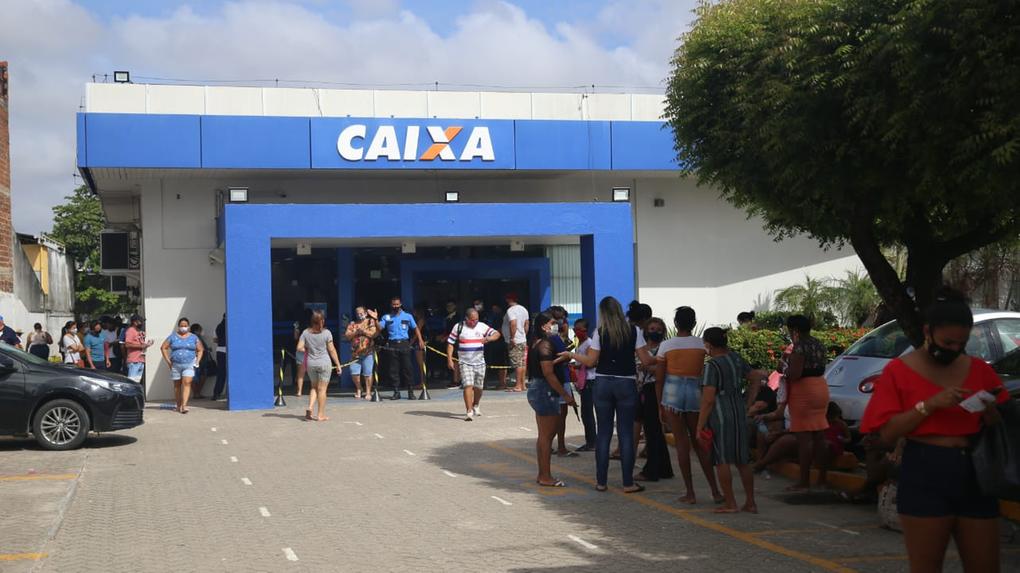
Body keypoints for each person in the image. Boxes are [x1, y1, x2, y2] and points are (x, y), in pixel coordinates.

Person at [860, 288, 1009, 573]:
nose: (954, 349)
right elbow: (886, 434)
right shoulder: (898, 371)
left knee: (986, 565)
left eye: (961, 343)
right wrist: (929, 405)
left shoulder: (979, 369)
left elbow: (1001, 423)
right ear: (928, 331)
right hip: (925, 468)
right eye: (947, 342)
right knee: (926, 566)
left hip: (975, 470)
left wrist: (990, 412)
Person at [566, 296, 653, 494]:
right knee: (626, 433)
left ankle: (601, 482)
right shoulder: (634, 331)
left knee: (604, 433)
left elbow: (590, 361)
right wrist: (664, 359)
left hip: (603, 382)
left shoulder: (600, 332)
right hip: (626, 382)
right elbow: (646, 360)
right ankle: (628, 482)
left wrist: (571, 354)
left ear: (603, 313)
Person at [695, 327, 769, 514]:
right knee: (742, 460)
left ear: (709, 345)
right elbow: (755, 378)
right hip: (738, 410)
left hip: (720, 414)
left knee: (722, 459)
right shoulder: (735, 359)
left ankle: (730, 502)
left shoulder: (712, 366)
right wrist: (749, 402)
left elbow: (708, 399)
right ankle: (750, 502)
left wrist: (700, 425)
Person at [656, 306, 723, 504]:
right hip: (695, 390)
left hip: (672, 392)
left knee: (681, 444)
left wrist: (660, 404)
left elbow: (659, 379)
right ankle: (715, 491)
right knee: (699, 442)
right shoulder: (701, 344)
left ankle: (690, 492)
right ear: (694, 323)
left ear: (675, 323)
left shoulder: (666, 345)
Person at [526, 312, 576, 487]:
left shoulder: (536, 343)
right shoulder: (546, 344)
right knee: (547, 436)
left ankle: (543, 474)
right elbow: (548, 373)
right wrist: (566, 395)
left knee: (544, 435)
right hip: (545, 391)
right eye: (552, 323)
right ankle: (545, 476)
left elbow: (544, 366)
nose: (556, 325)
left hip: (538, 389)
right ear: (544, 326)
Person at [783, 314, 832, 492]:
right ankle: (822, 479)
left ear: (795, 330)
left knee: (804, 439)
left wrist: (784, 369)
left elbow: (795, 373)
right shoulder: (818, 344)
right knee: (819, 436)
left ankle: (804, 481)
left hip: (804, 392)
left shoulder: (800, 346)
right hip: (820, 388)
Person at [635, 317, 674, 482]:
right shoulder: (641, 348)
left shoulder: (664, 349)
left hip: (655, 389)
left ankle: (651, 471)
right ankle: (664, 469)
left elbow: (665, 370)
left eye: (658, 329)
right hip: (641, 389)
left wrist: (649, 367)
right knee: (653, 431)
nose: (655, 332)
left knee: (653, 431)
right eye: (652, 329)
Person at [447, 308, 500, 421]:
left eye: (476, 319)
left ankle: (476, 404)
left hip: (479, 362)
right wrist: (449, 359)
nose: (474, 322)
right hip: (465, 362)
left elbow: (497, 334)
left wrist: (489, 338)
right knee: (468, 385)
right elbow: (450, 343)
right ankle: (469, 411)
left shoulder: (481, 326)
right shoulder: (458, 327)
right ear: (466, 318)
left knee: (479, 387)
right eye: (472, 320)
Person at [375, 296, 425, 400]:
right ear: (391, 305)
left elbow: (415, 328)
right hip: (392, 344)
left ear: (400, 304)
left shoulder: (407, 316)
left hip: (404, 343)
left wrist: (420, 340)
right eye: (394, 304)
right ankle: (396, 392)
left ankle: (410, 392)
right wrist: (375, 318)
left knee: (408, 368)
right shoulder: (386, 317)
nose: (395, 306)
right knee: (393, 369)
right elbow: (379, 328)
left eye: (397, 304)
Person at [297, 310, 342, 422]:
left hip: (311, 363)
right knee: (322, 390)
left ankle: (310, 407)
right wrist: (338, 364)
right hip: (324, 363)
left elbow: (299, 348)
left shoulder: (305, 333)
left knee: (314, 387)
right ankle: (320, 415)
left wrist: (308, 349)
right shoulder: (327, 333)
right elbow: (331, 350)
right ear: (322, 321)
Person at [160, 317, 203, 414]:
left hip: (189, 364)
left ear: (188, 326)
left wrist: (197, 361)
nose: (183, 327)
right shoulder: (172, 337)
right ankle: (178, 405)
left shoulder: (194, 337)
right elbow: (163, 348)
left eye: (185, 325)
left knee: (187, 382)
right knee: (177, 385)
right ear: (178, 326)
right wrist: (168, 362)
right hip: (176, 365)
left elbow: (200, 349)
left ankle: (184, 406)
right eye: (181, 326)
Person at [570, 318, 597, 452]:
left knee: (587, 413)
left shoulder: (589, 344)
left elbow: (592, 362)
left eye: (581, 330)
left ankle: (592, 442)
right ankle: (590, 440)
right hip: (583, 380)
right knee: (585, 413)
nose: (578, 332)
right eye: (575, 329)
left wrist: (577, 365)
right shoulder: (579, 343)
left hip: (590, 380)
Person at [345, 307, 378, 400]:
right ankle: (359, 389)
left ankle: (368, 392)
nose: (359, 315)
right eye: (358, 313)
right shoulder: (353, 324)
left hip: (368, 352)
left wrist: (363, 331)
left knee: (368, 373)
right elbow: (347, 336)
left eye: (361, 313)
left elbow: (373, 334)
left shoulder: (370, 322)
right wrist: (356, 332)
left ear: (365, 313)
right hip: (355, 353)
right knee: (354, 372)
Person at [502, 293, 530, 392]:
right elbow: (526, 324)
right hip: (522, 339)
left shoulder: (511, 310)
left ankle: (518, 385)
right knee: (522, 362)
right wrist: (524, 335)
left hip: (515, 340)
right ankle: (523, 385)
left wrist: (512, 338)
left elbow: (513, 323)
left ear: (508, 300)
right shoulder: (523, 309)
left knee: (517, 363)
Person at [123, 314, 152, 384]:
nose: (142, 323)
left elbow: (141, 344)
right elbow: (127, 344)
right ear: (134, 322)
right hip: (134, 361)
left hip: (140, 360)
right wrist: (141, 346)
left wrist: (147, 344)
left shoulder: (139, 331)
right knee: (132, 383)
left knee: (137, 383)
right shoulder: (130, 331)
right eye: (140, 321)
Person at [190, 324, 214, 399]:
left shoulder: (198, 337)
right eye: (200, 329)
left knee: (200, 377)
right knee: (196, 377)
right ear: (196, 330)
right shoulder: (193, 338)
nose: (201, 331)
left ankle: (197, 393)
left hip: (202, 360)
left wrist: (207, 350)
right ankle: (196, 393)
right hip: (198, 360)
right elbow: (198, 348)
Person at [212, 314, 227, 400]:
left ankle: (216, 393)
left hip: (220, 351)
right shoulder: (232, 326)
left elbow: (215, 340)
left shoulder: (218, 327)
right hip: (231, 352)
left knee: (221, 374)